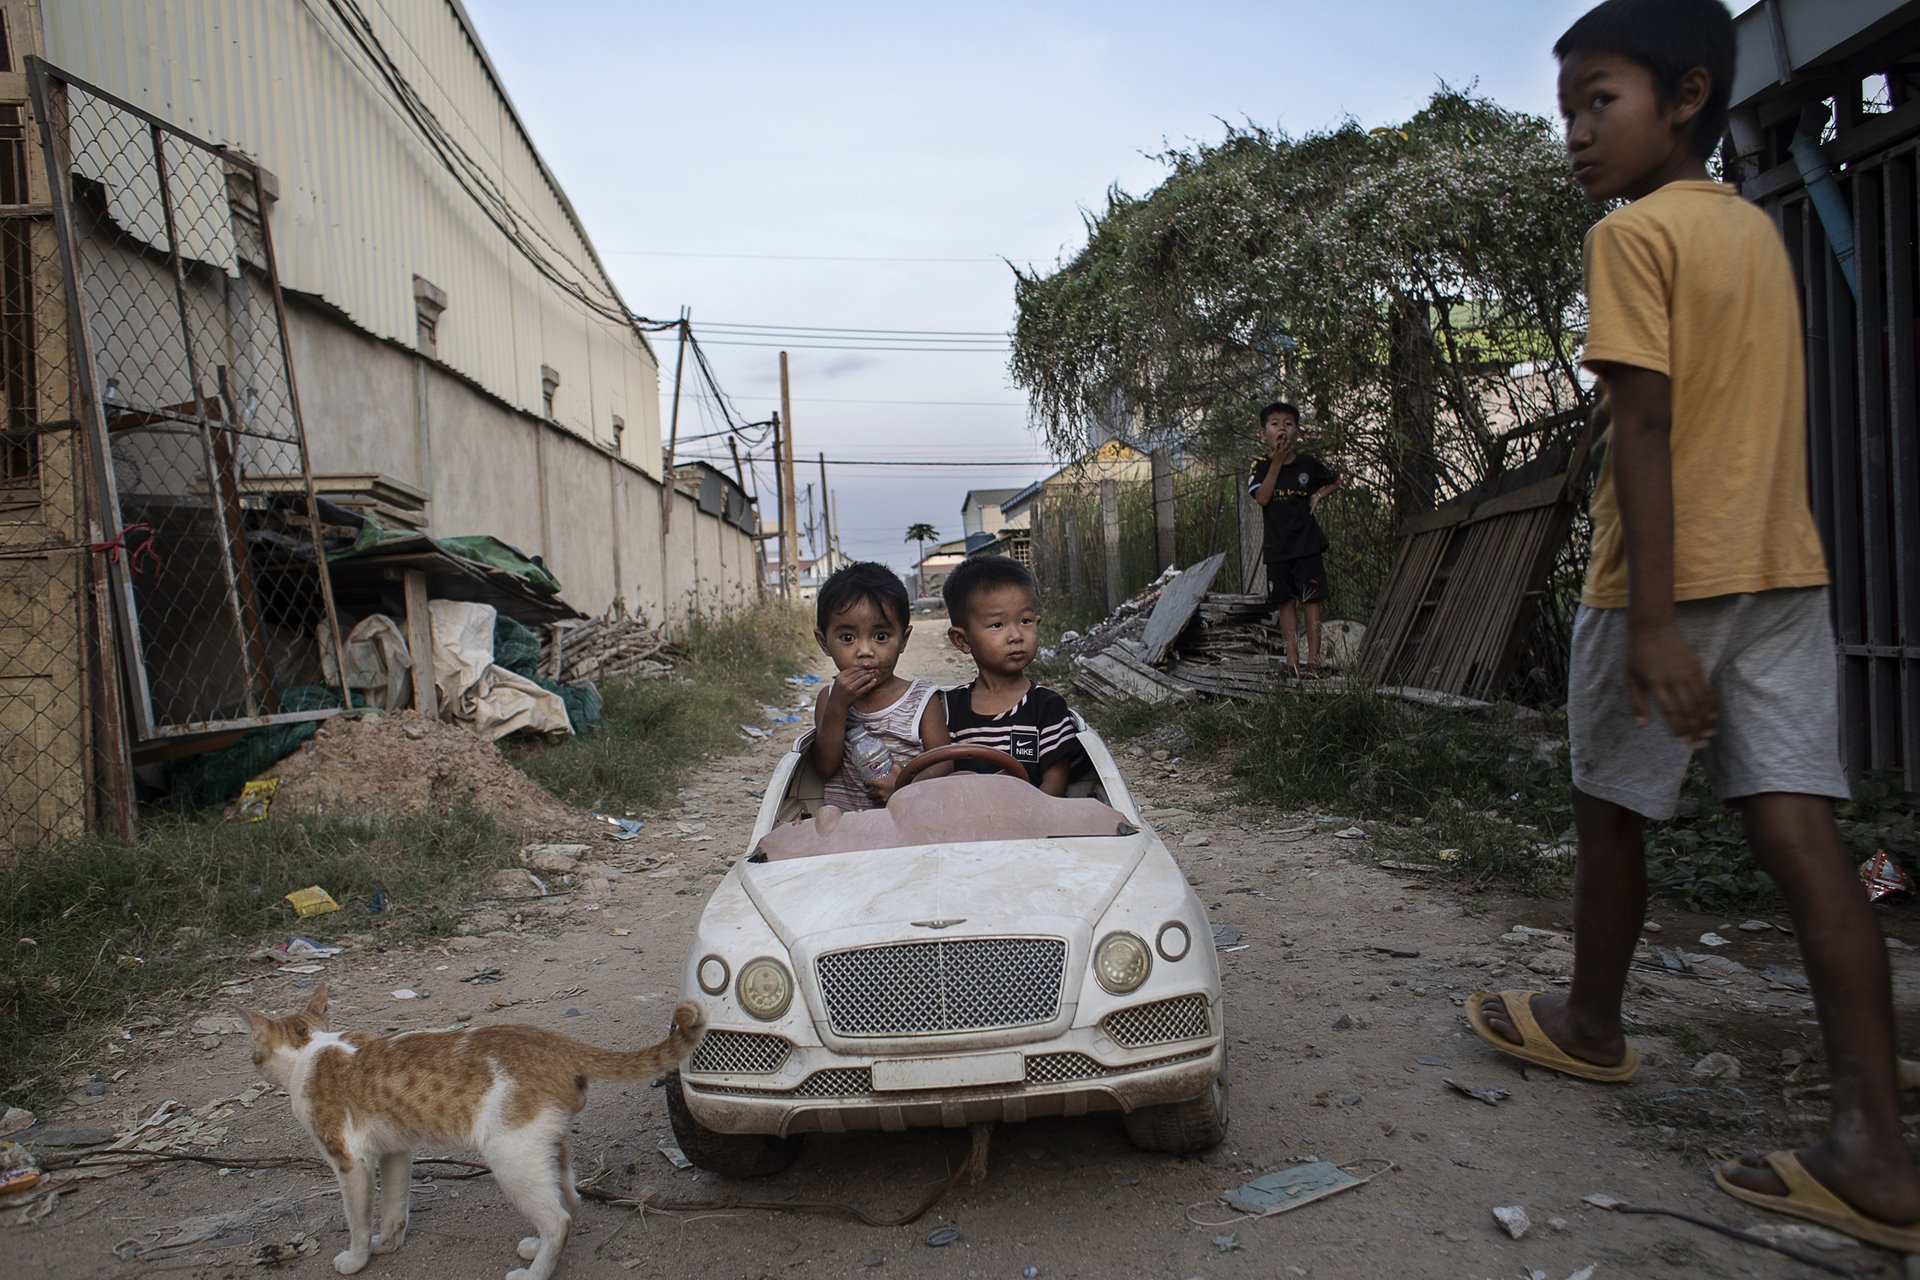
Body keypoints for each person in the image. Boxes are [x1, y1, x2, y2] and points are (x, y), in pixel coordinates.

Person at [1468, 0, 1920, 1251]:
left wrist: (1657, 621)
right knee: (1801, 834)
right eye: (1565, 108)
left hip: (1663, 580)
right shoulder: (1752, 232)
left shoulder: (1635, 237)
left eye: (1597, 100)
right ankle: (1874, 1149)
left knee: (1612, 811)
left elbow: (1647, 431)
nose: (1574, 132)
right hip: (1787, 572)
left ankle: (1593, 1022)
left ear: (1686, 95)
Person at [809, 562, 947, 810]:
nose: (865, 651)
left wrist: (906, 786)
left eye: (881, 636)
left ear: (903, 640)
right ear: (824, 642)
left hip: (908, 825)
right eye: (847, 638)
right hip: (847, 831)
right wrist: (838, 706)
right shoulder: (828, 699)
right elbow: (825, 765)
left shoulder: (923, 700)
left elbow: (944, 762)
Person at [941, 557, 1083, 796]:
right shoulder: (947, 708)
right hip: (962, 826)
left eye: (1025, 621)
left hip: (1030, 825)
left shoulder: (1046, 707)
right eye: (997, 625)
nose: (1016, 635)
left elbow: (1054, 787)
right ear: (962, 640)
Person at [1247, 401, 1339, 675]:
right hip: (1278, 548)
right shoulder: (1260, 466)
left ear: (1297, 431)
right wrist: (1276, 462)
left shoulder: (1307, 464)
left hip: (1307, 545)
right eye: (1275, 423)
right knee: (1285, 603)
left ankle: (1314, 661)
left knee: (1311, 600)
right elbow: (1263, 498)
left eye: (1288, 423)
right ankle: (1292, 662)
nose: (1282, 429)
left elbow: (1335, 481)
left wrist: (1318, 495)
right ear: (1264, 433)